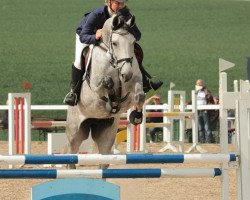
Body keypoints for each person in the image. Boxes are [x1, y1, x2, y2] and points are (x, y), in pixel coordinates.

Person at [63, 0, 163, 106]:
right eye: (117, 3)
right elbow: (84, 36)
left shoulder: (125, 14)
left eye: (122, 3)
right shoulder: (98, 14)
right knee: (79, 60)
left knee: (131, 51)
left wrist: (128, 30)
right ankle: (74, 92)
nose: (120, 6)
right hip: (88, 35)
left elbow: (138, 35)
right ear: (108, 2)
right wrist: (95, 36)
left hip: (112, 40)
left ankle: (145, 81)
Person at [195, 79, 214, 143]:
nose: (198, 85)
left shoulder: (206, 91)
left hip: (204, 111)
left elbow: (210, 98)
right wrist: (187, 102)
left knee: (207, 127)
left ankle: (209, 141)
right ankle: (202, 141)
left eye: (200, 83)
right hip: (198, 111)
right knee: (200, 128)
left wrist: (206, 94)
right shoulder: (196, 92)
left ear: (202, 84)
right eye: (197, 84)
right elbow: (193, 99)